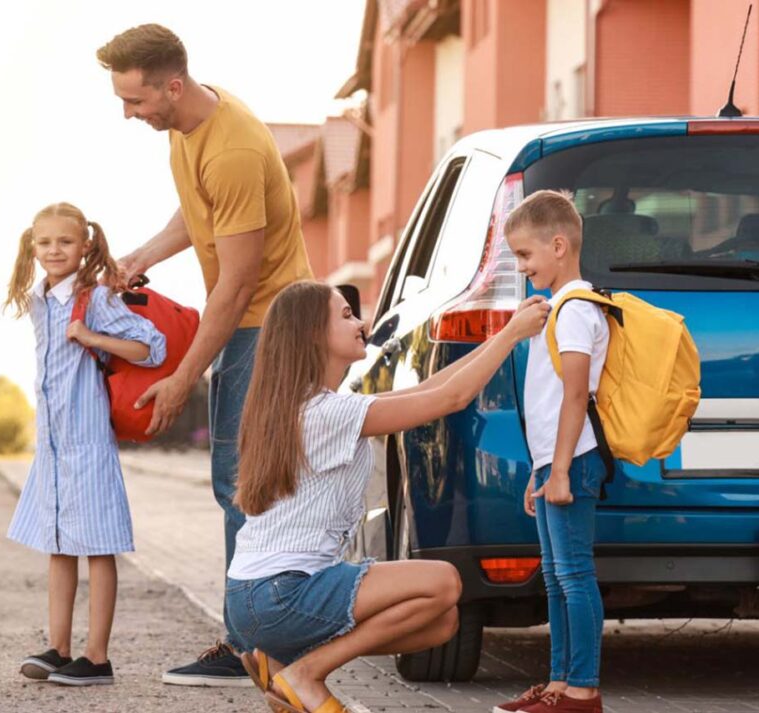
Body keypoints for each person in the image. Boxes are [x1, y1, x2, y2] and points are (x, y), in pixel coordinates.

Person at [95, 23, 313, 685]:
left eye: (135, 101)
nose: (129, 115)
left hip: (269, 324)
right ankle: (256, 637)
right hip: (250, 320)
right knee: (246, 483)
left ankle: (252, 646)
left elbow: (237, 283)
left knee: (247, 484)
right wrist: (139, 255)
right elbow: (198, 215)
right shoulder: (193, 129)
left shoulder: (235, 149)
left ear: (173, 84)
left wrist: (185, 378)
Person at [224, 281, 551, 712]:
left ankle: (288, 662)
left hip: (254, 598)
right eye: (345, 316)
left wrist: (502, 332)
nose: (361, 323)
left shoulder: (312, 407)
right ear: (312, 336)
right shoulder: (328, 414)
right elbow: (452, 398)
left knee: (441, 621)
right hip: (280, 594)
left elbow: (434, 387)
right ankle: (305, 674)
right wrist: (512, 334)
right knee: (444, 582)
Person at [4, 202, 167, 686]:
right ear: (33, 247)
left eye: (65, 242)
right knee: (58, 546)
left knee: (98, 548)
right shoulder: (38, 299)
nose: (55, 250)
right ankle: (58, 648)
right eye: (45, 242)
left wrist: (91, 336)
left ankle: (97, 657)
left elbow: (150, 345)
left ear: (85, 246)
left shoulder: (92, 299)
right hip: (52, 446)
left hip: (89, 444)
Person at [493, 190, 609, 713]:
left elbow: (575, 395)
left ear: (558, 245)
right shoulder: (556, 309)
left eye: (525, 255)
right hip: (555, 462)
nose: (521, 267)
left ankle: (581, 689)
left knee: (575, 574)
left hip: (574, 460)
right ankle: (558, 686)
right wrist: (539, 471)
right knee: (557, 576)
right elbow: (546, 401)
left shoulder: (578, 309)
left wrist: (560, 470)